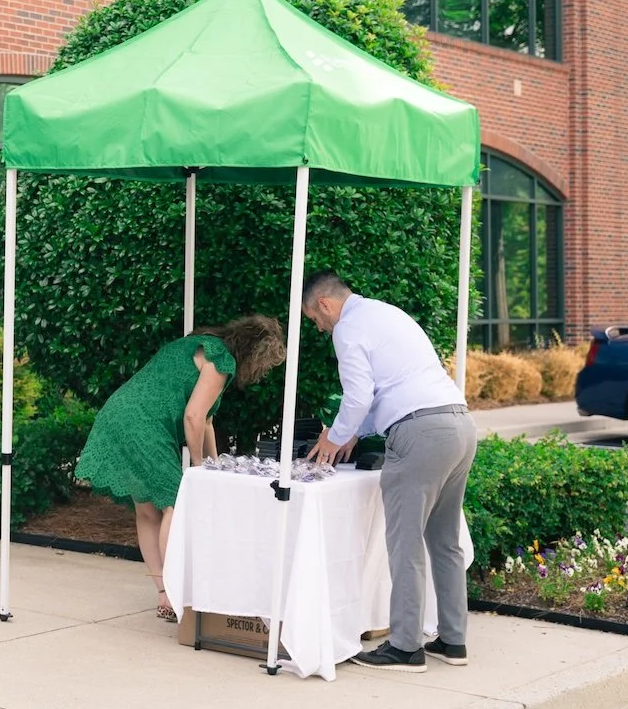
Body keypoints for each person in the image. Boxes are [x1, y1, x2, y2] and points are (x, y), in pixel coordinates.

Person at [303, 271, 476, 671]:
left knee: (405, 543)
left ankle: (405, 647)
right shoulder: (386, 313)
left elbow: (359, 394)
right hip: (459, 424)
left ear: (325, 305)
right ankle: (453, 641)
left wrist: (334, 437)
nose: (319, 327)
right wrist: (350, 431)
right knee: (445, 541)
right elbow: (387, 388)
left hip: (419, 434)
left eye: (315, 319)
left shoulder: (347, 329)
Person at [76, 316, 287, 623]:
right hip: (143, 424)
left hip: (118, 413)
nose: (262, 372)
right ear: (254, 352)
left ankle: (164, 592)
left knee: (148, 511)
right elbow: (192, 417)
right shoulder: (221, 360)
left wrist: (216, 465)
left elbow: (206, 419)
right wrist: (199, 468)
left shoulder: (199, 343)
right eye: (265, 364)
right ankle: (178, 596)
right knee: (175, 503)